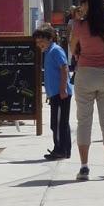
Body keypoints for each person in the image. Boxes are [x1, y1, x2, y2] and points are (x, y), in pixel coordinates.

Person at [68, 0, 104, 181]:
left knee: (84, 122)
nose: (80, 6)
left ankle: (84, 167)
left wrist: (79, 18)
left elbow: (72, 48)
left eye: (82, 3)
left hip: (86, 73)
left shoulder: (80, 26)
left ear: (87, 3)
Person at [39, 24, 72, 160]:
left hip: (60, 93)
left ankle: (60, 149)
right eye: (37, 42)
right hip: (55, 93)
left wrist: (63, 88)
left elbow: (64, 68)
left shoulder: (55, 51)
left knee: (58, 124)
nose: (39, 44)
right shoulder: (48, 52)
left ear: (50, 38)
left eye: (41, 41)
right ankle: (64, 149)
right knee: (61, 123)